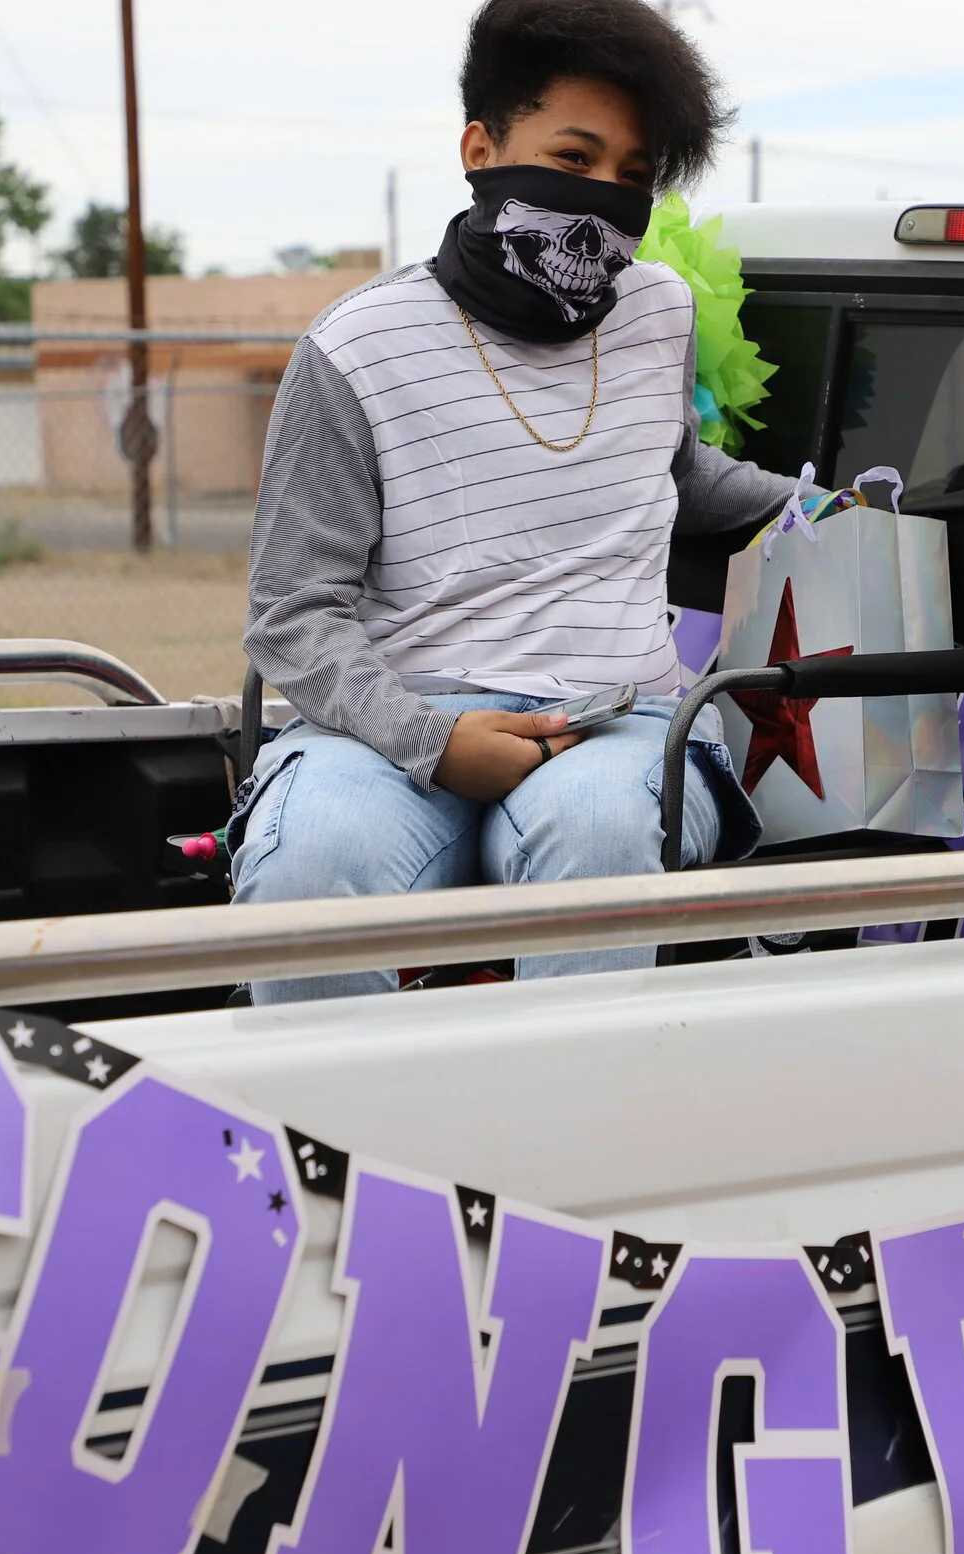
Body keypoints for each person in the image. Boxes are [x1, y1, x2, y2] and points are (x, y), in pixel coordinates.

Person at [230, 0, 796, 1001]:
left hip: (618, 719)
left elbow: (669, 474)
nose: (604, 201)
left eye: (633, 176)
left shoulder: (660, 310)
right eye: (573, 160)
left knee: (603, 832)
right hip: (396, 724)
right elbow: (292, 611)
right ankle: (340, 1151)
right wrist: (433, 740)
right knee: (306, 869)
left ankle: (568, 1145)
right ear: (481, 148)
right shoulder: (353, 347)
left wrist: (829, 506)